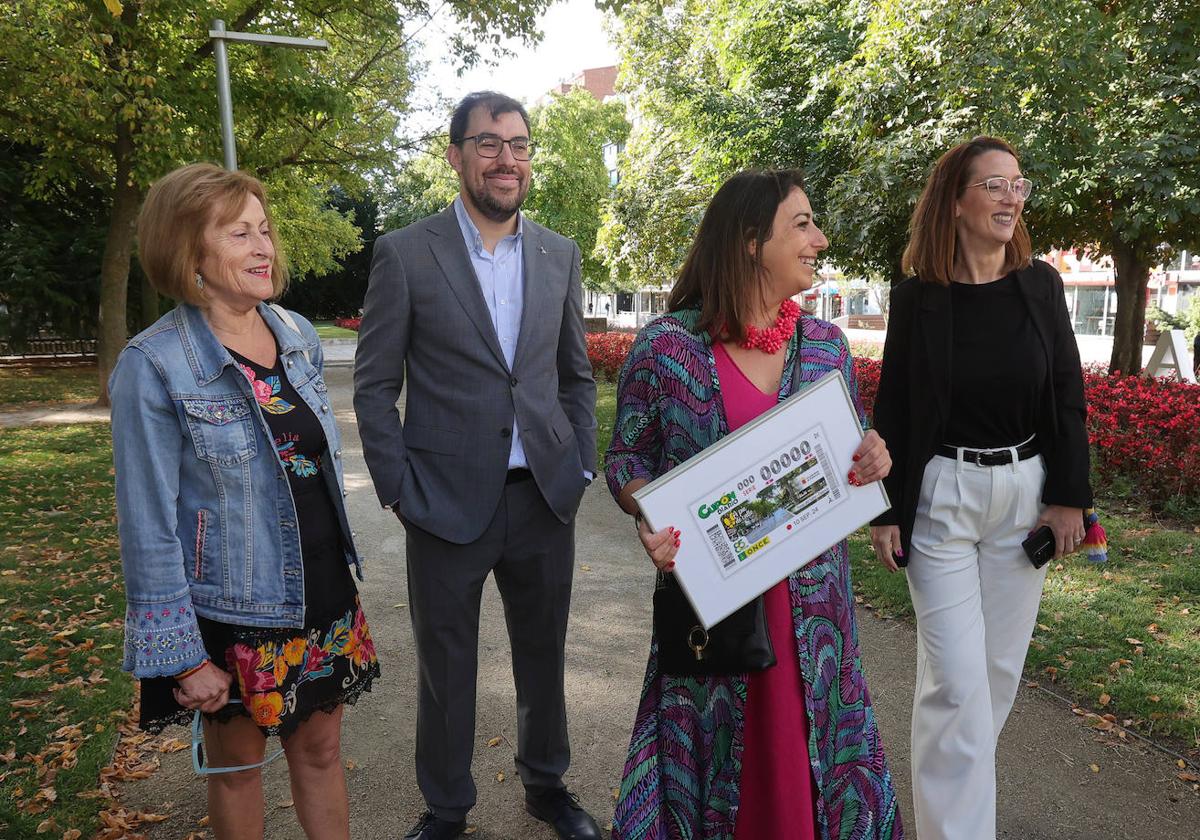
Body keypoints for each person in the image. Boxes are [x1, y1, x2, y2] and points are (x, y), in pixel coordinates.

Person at [606, 169, 903, 840]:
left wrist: (873, 457)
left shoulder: (827, 347)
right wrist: (647, 512)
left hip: (815, 619)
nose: (820, 240)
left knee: (806, 776)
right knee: (717, 780)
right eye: (802, 224)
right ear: (748, 242)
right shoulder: (668, 348)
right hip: (715, 611)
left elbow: (850, 453)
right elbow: (626, 460)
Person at [353, 91, 600, 840]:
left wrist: (580, 465)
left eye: (519, 144)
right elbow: (373, 384)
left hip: (541, 499)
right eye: (489, 143)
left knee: (542, 655)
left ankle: (547, 786)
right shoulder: (406, 251)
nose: (506, 159)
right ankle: (448, 808)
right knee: (446, 668)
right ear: (456, 153)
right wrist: (397, 488)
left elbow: (575, 375)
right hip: (443, 501)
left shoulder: (559, 253)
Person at [109, 163, 380, 840]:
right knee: (238, 773)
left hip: (322, 591)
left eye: (264, 230)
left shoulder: (296, 333)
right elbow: (147, 524)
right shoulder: (155, 364)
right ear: (188, 251)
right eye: (238, 233)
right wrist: (182, 655)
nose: (263, 247)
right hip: (231, 613)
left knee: (320, 754)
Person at [869, 136, 1092, 840]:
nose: (1009, 198)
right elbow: (897, 409)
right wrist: (885, 512)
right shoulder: (918, 299)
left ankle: (957, 818)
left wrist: (1070, 497)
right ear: (956, 201)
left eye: (1017, 185)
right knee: (956, 686)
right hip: (941, 499)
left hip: (1023, 496)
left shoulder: (1041, 286)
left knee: (993, 683)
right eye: (993, 185)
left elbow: (1066, 395)